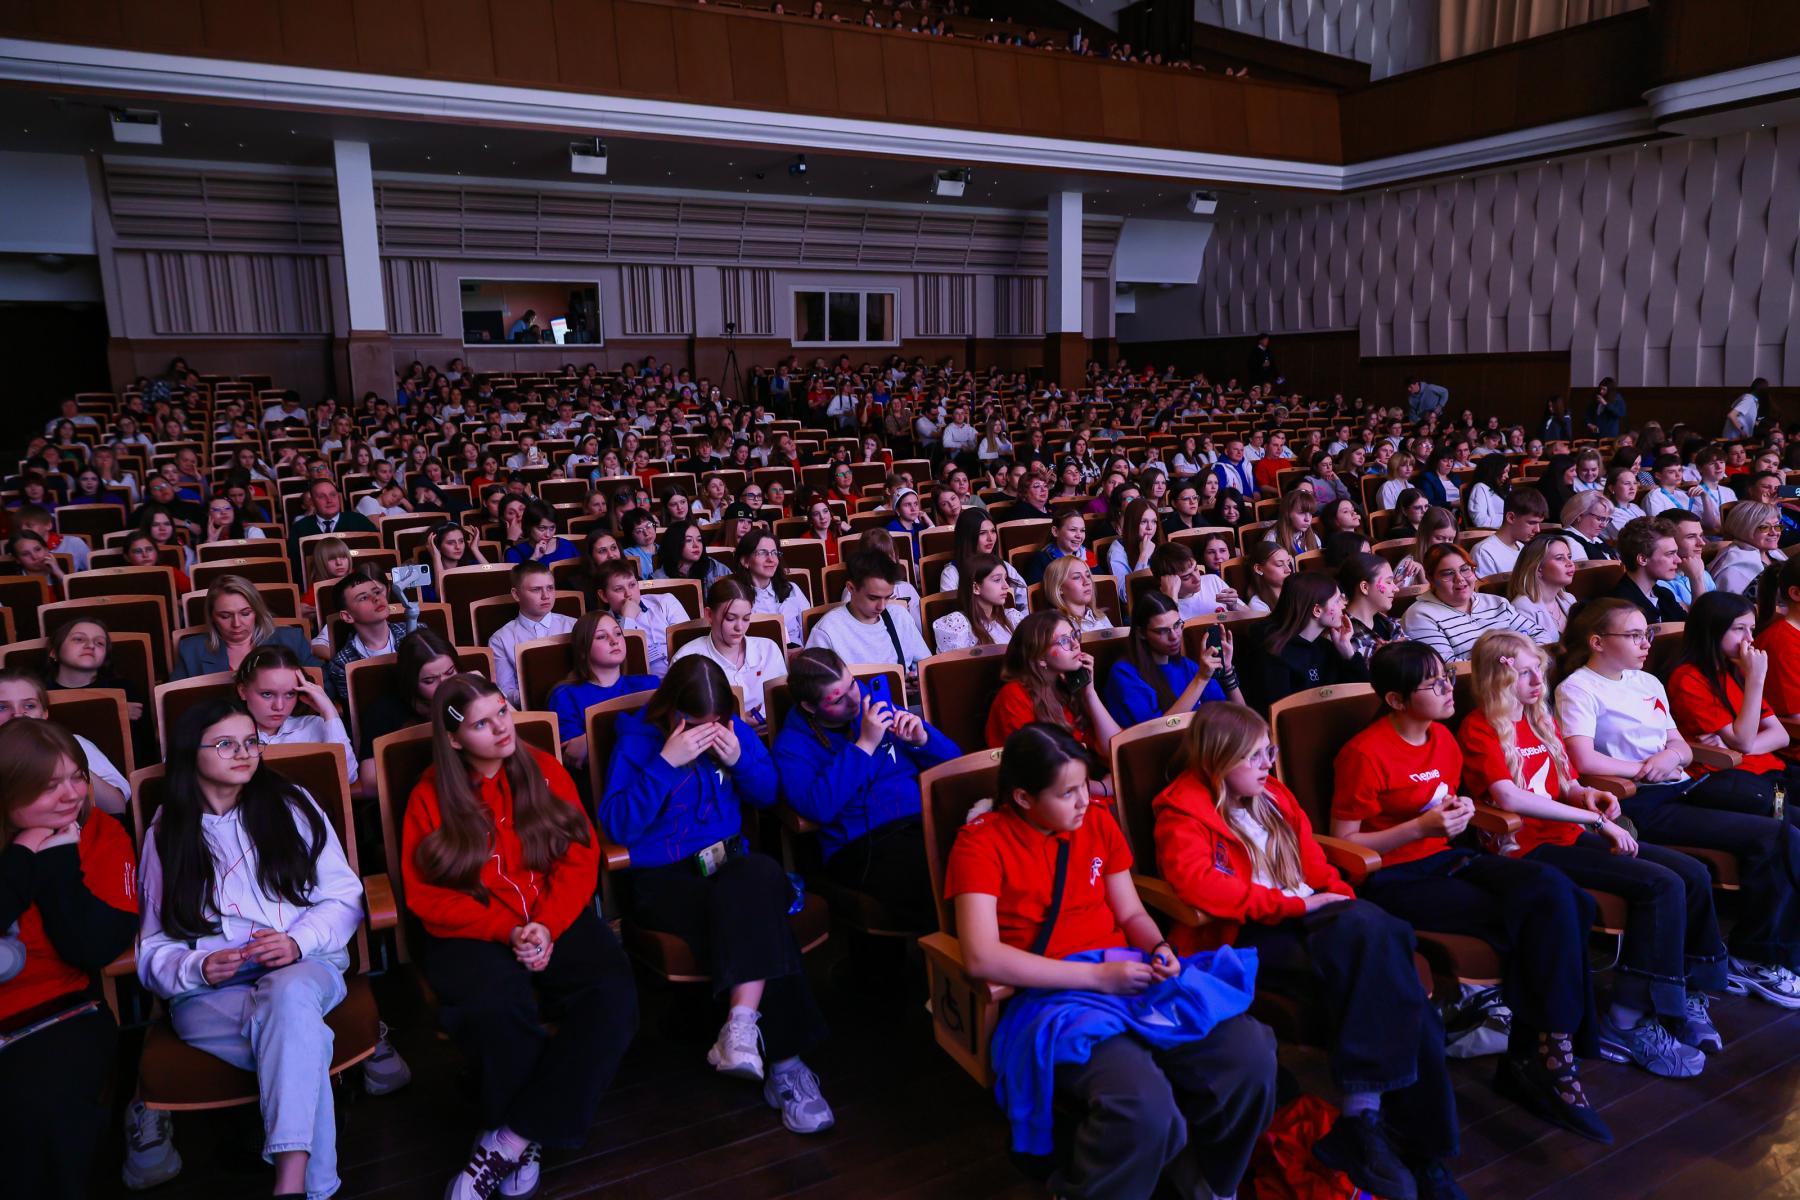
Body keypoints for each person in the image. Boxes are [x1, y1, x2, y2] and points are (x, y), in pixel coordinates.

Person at [946, 722, 1275, 1200]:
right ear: (1022, 798)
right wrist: (1098, 976)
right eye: (1067, 793)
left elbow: (1131, 912)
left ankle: (1212, 1182)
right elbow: (981, 956)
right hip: (1055, 994)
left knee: (1251, 1054)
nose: (1085, 800)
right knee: (1142, 1107)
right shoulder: (981, 843)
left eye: (1084, 785)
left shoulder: (1097, 820)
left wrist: (1159, 948)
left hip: (1126, 973)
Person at [1153, 703, 1462, 1198]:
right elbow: (1199, 887)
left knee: (1397, 972)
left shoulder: (1272, 794)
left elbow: (1314, 865)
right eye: (1253, 757)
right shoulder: (1182, 809)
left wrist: (1340, 899)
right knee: (1390, 950)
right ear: (1218, 759)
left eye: (1268, 753)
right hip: (1252, 935)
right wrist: (1296, 907)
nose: (1267, 765)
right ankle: (1403, 1144)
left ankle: (1410, 1150)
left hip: (1314, 919)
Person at [1333, 643, 1609, 1142]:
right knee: (1549, 911)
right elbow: (1345, 844)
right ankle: (1552, 1056)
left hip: (1449, 858)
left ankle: (1545, 1050)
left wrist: (1458, 814)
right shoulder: (1364, 752)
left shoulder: (1444, 738)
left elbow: (1450, 803)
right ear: (1396, 700)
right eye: (1433, 684)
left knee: (1558, 892)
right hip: (1393, 878)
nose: (1448, 689)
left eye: (1446, 678)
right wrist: (1419, 828)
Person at [404, 674, 637, 1199]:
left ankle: (510, 1137)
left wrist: (547, 925)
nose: (501, 727)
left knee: (612, 992)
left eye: (503, 711)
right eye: (482, 723)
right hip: (472, 929)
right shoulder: (430, 794)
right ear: (456, 739)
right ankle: (526, 1135)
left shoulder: (545, 769)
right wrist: (507, 929)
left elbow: (580, 857)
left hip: (548, 916)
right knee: (495, 1006)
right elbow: (428, 896)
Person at [1464, 632, 1724, 1073]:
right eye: (1523, 673)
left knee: (1691, 872)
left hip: (1567, 832)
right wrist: (1594, 821)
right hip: (1526, 850)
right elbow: (1509, 797)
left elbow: (1559, 780)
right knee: (1660, 885)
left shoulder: (1536, 718)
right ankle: (1627, 1019)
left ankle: (1685, 996)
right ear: (1496, 676)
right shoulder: (1479, 726)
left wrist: (1585, 794)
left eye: (1538, 672)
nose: (1535, 682)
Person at [137, 700, 365, 1200]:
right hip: (210, 995)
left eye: (250, 742)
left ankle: (291, 1185)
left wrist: (297, 940)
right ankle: (314, 1187)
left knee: (289, 1002)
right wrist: (198, 964)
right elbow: (153, 949)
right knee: (299, 1039)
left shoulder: (291, 804)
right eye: (225, 744)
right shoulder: (166, 833)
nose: (243, 753)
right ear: (189, 753)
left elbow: (344, 895)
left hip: (304, 967)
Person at [600, 657, 834, 1133]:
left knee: (759, 875)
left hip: (728, 864)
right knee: (755, 912)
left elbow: (767, 796)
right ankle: (787, 1066)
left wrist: (739, 759)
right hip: (665, 877)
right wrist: (667, 763)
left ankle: (741, 1028)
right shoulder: (639, 742)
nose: (707, 734)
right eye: (694, 725)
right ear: (671, 714)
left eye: (717, 723)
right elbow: (618, 824)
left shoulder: (732, 731)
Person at [1557, 599, 1800, 1006]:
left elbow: (1679, 747)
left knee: (1779, 831)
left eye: (1647, 634)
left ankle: (1763, 950)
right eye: (1634, 635)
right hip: (1639, 800)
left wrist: (1672, 756)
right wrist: (1644, 767)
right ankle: (1755, 956)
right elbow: (1583, 759)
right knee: (1772, 831)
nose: (1645, 643)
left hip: (1681, 785)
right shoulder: (1578, 688)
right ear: (1598, 642)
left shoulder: (1646, 682)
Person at [0, 719, 139, 1200]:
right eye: (46, 785)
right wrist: (21, 856)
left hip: (55, 1013)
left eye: (76, 777)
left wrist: (58, 860)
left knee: (35, 1117)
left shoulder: (101, 834)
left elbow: (94, 948)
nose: (70, 795)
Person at [773, 648, 959, 932]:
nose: (854, 701)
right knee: (938, 877)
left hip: (918, 819)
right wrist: (865, 745)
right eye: (837, 699)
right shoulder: (791, 746)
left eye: (851, 685)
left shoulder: (876, 705)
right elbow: (818, 808)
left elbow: (953, 762)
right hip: (859, 843)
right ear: (809, 707)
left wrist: (923, 739)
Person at [1667, 593, 1795, 790]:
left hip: (1768, 770)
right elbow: (1743, 741)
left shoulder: (1735, 670)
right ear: (1712, 630)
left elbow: (1780, 735)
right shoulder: (1688, 678)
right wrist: (1756, 678)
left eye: (1751, 629)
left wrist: (1731, 747)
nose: (1749, 639)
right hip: (1729, 778)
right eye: (1739, 629)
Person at [985, 609, 1124, 772]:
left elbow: (1114, 748)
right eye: (1064, 641)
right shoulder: (1013, 695)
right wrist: (1101, 788)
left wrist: (1089, 694)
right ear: (1040, 658)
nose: (1075, 644)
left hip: (1079, 784)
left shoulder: (1066, 685)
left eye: (1074, 635)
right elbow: (1033, 772)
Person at [1100, 592, 1241, 728]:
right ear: (1141, 633)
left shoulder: (1186, 666)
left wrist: (1227, 671)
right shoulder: (1124, 673)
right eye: (1162, 631)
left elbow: (1236, 719)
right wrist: (1201, 679)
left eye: (1177, 625)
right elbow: (1156, 732)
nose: (1174, 636)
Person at [545, 610, 660, 771]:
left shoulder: (649, 685)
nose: (614, 641)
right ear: (583, 651)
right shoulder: (565, 695)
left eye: (618, 633)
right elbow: (575, 756)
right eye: (601, 636)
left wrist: (592, 739)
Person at [1240, 572, 1368, 712]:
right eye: (1337, 601)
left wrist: (1348, 654)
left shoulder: (1327, 647)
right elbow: (1278, 714)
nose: (1343, 606)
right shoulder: (1271, 653)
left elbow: (1363, 696)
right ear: (1317, 610)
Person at [235, 645, 360, 786]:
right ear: (243, 691)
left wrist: (329, 711)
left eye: (290, 694)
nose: (279, 706)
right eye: (267, 694)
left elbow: (348, 777)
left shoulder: (314, 725)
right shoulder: (225, 734)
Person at [673, 577, 788, 726]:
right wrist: (737, 720)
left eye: (746, 619)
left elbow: (782, 700)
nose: (739, 627)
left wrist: (762, 716)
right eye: (730, 618)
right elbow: (679, 717)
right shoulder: (686, 659)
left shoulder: (768, 649)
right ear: (709, 615)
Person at [1401, 543, 1544, 663]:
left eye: (1465, 569)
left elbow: (1540, 635)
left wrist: (1520, 663)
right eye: (1448, 573)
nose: (1460, 579)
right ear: (1431, 579)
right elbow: (1448, 666)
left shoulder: (1497, 602)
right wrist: (1511, 663)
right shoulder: (1419, 615)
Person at [805, 550, 931, 680]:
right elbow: (814, 688)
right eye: (873, 598)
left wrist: (916, 681)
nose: (881, 606)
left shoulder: (899, 615)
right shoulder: (826, 630)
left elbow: (925, 667)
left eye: (887, 597)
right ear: (851, 588)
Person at [173, 576, 318, 680]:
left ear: (257, 611)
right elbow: (176, 707)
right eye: (225, 616)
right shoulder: (191, 650)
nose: (236, 623)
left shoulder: (292, 639)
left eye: (245, 613)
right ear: (211, 617)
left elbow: (323, 687)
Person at [353, 628, 460, 766]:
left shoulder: (470, 696)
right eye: (430, 681)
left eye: (450, 672)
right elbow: (369, 779)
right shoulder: (383, 713)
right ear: (412, 682)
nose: (444, 684)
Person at [322, 565, 420, 703]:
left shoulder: (418, 631)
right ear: (347, 616)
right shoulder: (341, 664)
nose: (376, 599)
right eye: (363, 598)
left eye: (377, 592)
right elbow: (360, 712)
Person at [488, 561, 577, 709]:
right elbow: (505, 693)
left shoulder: (574, 626)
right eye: (536, 590)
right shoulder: (500, 639)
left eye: (550, 588)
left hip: (577, 704)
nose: (546, 596)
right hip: (533, 710)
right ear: (516, 595)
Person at [931, 551, 1021, 652]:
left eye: (1005, 579)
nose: (1006, 586)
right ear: (976, 588)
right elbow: (954, 667)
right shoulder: (958, 625)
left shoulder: (1012, 618)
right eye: (997, 580)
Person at [938, 509, 1028, 608]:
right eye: (982, 533)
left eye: (993, 531)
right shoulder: (951, 573)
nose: (990, 538)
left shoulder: (1004, 566)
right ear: (968, 537)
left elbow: (1025, 600)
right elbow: (951, 612)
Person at [1606, 516, 1688, 623]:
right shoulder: (1621, 605)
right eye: (1670, 554)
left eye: (1676, 553)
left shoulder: (1665, 595)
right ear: (1643, 559)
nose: (1678, 560)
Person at [735, 530, 808, 647]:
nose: (771, 559)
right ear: (745, 561)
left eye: (774, 553)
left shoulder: (792, 590)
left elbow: (810, 633)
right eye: (763, 553)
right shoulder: (736, 598)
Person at [285, 479, 376, 568]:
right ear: (312, 502)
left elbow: (375, 556)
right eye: (321, 496)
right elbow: (296, 567)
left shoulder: (359, 521)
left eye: (333, 495)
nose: (329, 500)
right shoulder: (299, 528)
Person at [1508, 534, 1578, 643]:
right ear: (1538, 568)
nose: (1570, 563)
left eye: (1569, 557)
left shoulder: (1569, 599)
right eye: (1560, 558)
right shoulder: (1522, 608)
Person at [1339, 552, 1407, 663]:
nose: (1396, 589)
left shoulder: (1392, 625)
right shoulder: (1342, 635)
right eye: (1389, 582)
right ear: (1365, 587)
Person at [1710, 502, 1788, 595]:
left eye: (1777, 526)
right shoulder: (1732, 568)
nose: (1774, 533)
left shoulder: (1774, 553)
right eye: (1764, 527)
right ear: (1743, 528)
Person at [1148, 541, 1241, 618]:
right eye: (1186, 577)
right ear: (1168, 580)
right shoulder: (1157, 605)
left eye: (1196, 569)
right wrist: (1171, 599)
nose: (1197, 578)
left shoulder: (1213, 580)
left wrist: (1234, 606)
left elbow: (1251, 616)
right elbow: (1171, 635)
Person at [1471, 487, 1547, 578]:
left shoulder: (1524, 548)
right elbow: (1487, 591)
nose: (1537, 530)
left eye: (1539, 523)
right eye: (1531, 523)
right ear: (1511, 518)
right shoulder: (1484, 552)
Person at [1042, 554, 1114, 634]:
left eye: (1087, 576)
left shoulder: (1101, 616)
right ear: (1059, 589)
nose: (1087, 582)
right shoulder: (1058, 625)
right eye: (1077, 577)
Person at [1024, 508, 1097, 586]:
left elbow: (1100, 586)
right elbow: (1039, 595)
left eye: (1082, 530)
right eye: (1073, 530)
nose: (1079, 536)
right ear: (1055, 531)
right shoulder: (1040, 560)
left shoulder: (1088, 555)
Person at [654, 518, 731, 586]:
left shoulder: (715, 568)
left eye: (699, 540)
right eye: (689, 540)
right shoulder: (659, 578)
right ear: (675, 543)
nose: (696, 545)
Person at [1105, 498, 1162, 584]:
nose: (1150, 527)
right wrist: (1144, 556)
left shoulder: (1157, 541)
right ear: (1132, 523)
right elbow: (1125, 594)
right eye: (1143, 522)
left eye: (1154, 522)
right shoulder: (1117, 551)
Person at [504, 502, 579, 567]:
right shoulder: (515, 553)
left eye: (552, 528)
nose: (548, 534)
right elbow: (517, 582)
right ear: (529, 527)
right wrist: (534, 558)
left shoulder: (567, 546)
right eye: (542, 528)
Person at [1558, 492, 1618, 562]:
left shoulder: (1596, 539)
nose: (1604, 525)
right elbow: (1585, 571)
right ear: (1579, 516)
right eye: (1600, 519)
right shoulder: (1569, 542)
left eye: (1607, 520)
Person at [1241, 539, 1293, 614]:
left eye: (1288, 563)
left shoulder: (1297, 591)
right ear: (1259, 569)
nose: (1288, 570)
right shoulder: (1257, 605)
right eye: (1279, 564)